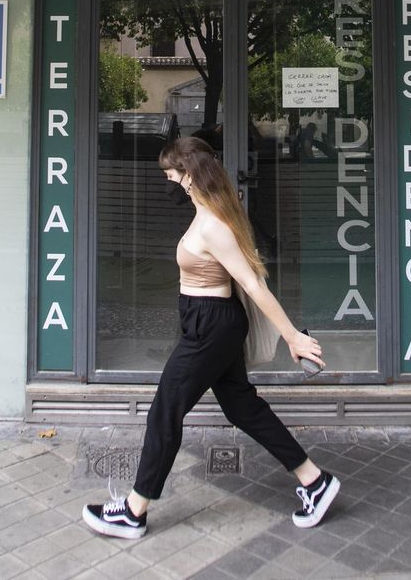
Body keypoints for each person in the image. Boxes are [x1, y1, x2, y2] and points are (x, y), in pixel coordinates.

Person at [82, 136, 342, 539]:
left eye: (171, 173)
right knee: (242, 408)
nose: (168, 180)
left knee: (164, 411)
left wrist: (291, 336)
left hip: (211, 328)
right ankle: (315, 481)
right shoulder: (207, 210)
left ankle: (133, 512)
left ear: (188, 175)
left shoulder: (214, 225)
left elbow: (254, 285)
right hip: (205, 323)